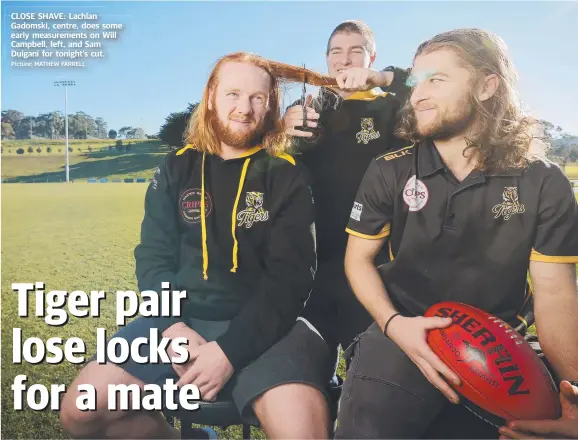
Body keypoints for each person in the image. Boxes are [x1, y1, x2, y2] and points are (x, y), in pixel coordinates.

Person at [59, 52, 333, 439]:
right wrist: (171, 327)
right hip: (178, 322)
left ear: (270, 105)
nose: (244, 108)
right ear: (211, 97)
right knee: (80, 413)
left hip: (269, 325)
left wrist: (230, 351)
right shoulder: (177, 167)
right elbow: (153, 258)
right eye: (234, 94)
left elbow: (290, 280)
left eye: (258, 98)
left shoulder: (287, 173)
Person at [336, 28, 578, 439]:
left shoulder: (544, 182)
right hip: (402, 331)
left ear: (487, 87)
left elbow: (555, 293)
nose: (417, 95)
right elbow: (357, 260)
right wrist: (394, 324)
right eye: (416, 82)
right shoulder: (388, 169)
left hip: (495, 344)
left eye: (437, 79)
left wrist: (575, 394)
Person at [282, 20, 411, 367]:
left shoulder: (393, 108)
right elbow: (278, 172)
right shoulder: (309, 108)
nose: (345, 59)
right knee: (307, 371)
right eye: (336, 51)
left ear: (372, 57)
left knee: (368, 370)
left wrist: (383, 78)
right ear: (326, 59)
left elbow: (434, 80)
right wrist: (283, 133)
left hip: (375, 264)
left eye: (356, 51)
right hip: (313, 267)